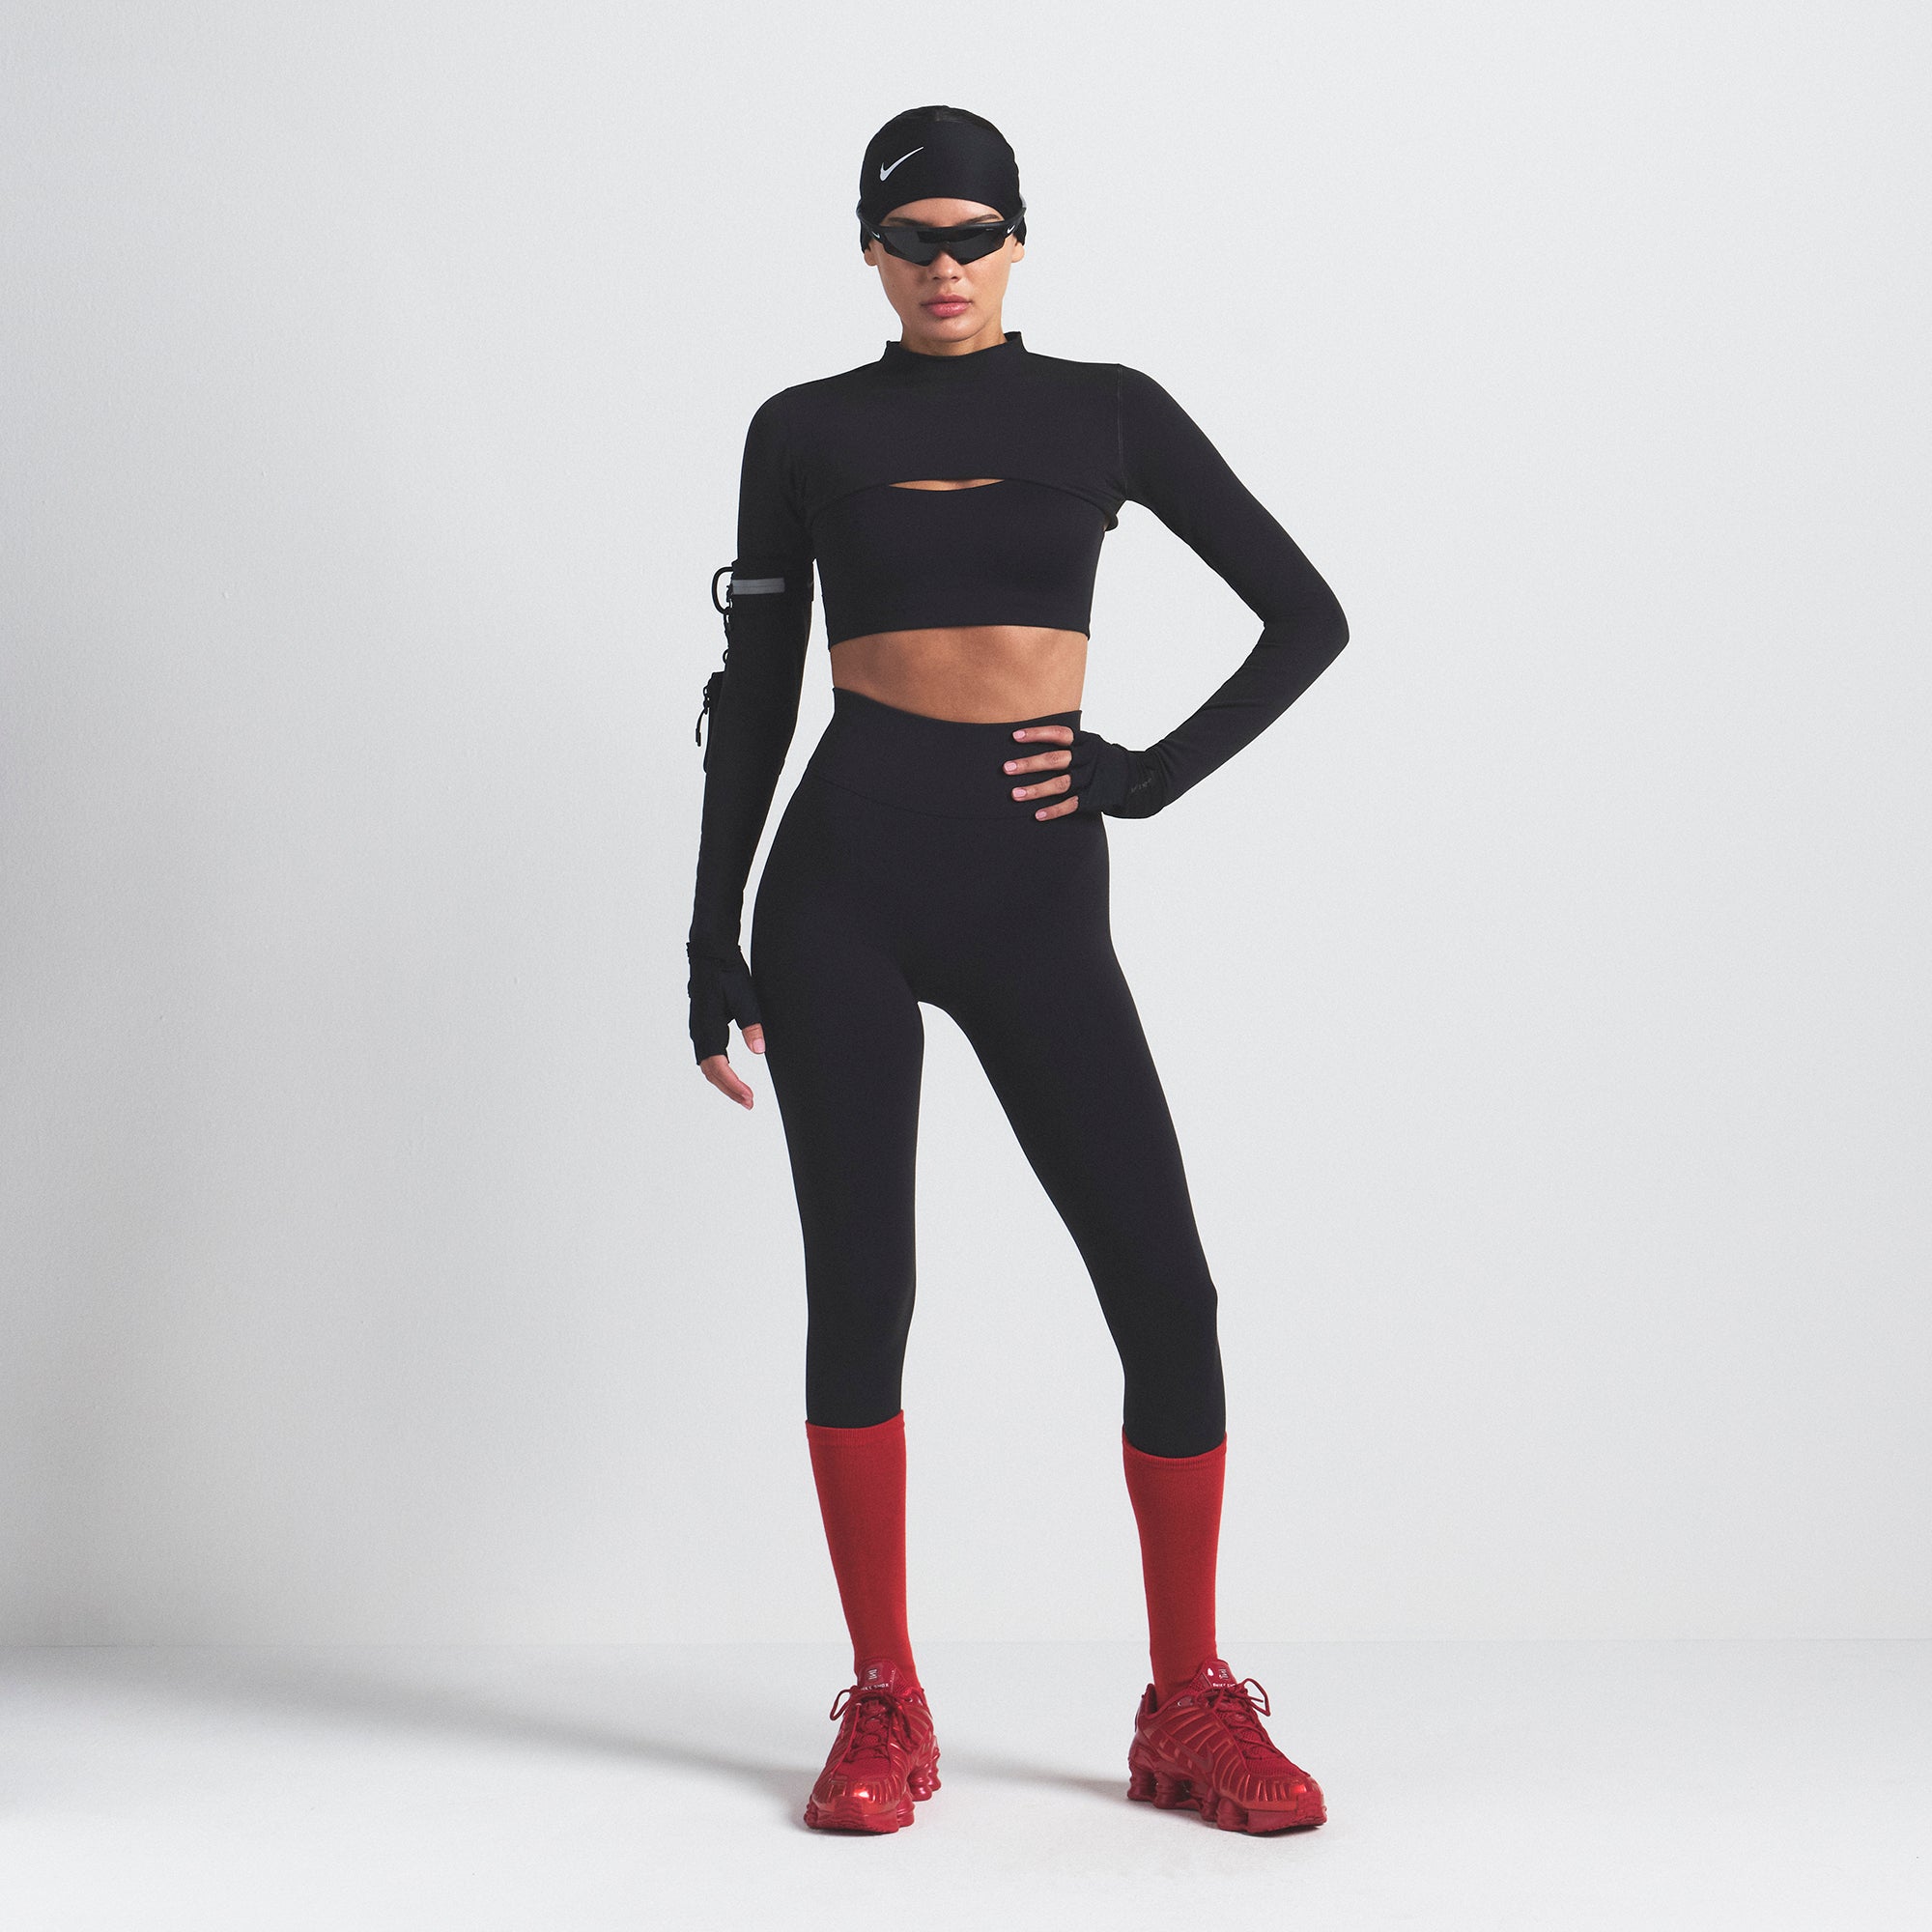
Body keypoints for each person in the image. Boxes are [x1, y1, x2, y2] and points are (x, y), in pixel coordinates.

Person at [686, 104, 1348, 1835]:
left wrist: (1148, 773)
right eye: (914, 240)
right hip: (839, 887)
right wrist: (709, 930)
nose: (946, 267)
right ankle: (884, 1699)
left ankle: (1188, 1703)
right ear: (870, 252)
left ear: (1020, 242)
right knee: (862, 1298)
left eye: (975, 237)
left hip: (1036, 889)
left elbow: (1307, 615)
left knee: (1167, 1295)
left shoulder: (1107, 412)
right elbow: (757, 696)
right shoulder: (802, 429)